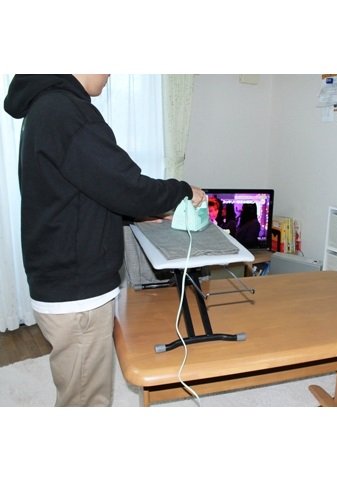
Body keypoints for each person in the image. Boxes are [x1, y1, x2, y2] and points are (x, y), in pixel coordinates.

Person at [3, 74, 205, 406]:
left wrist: (137, 215)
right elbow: (127, 186)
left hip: (60, 281)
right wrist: (182, 191)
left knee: (77, 388)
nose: (110, 71)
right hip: (76, 291)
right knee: (86, 401)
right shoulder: (65, 112)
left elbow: (82, 194)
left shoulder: (47, 108)